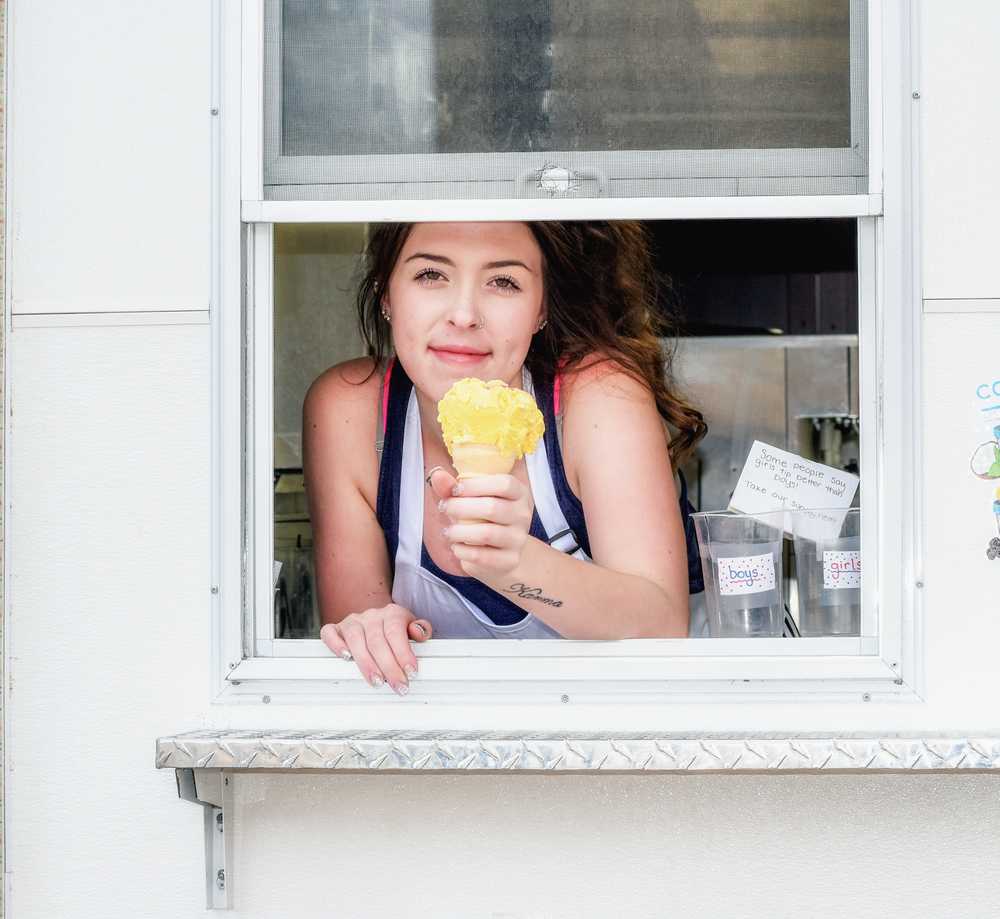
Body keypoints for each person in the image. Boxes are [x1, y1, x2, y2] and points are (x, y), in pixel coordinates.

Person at [303, 221, 706, 694]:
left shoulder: (598, 396)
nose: (464, 315)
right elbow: (362, 640)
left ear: (542, 309)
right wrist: (374, 630)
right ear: (386, 293)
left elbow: (661, 622)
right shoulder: (350, 413)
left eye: (504, 281)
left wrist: (515, 565)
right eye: (431, 275)